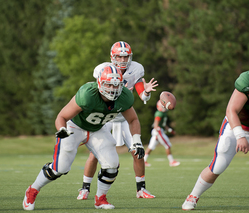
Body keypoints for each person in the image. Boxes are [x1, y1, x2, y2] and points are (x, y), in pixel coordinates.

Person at [23, 65, 145, 210]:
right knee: (60, 168)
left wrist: (136, 141)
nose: (112, 88)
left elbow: (133, 120)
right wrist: (62, 129)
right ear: (100, 83)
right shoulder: (87, 94)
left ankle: (100, 199)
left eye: (116, 84)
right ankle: (32, 190)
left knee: (112, 164)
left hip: (98, 129)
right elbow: (61, 116)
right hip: (75, 128)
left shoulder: (124, 97)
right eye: (109, 84)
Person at [77, 41, 158, 201]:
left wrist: (146, 93)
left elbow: (143, 96)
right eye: (119, 56)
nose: (122, 60)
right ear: (112, 57)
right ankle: (85, 188)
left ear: (130, 57)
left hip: (125, 117)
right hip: (106, 116)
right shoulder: (103, 69)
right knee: (94, 155)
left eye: (125, 56)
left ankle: (141, 189)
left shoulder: (136, 69)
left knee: (138, 152)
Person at [182, 71, 249, 210]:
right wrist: (240, 136)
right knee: (218, 165)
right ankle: (193, 196)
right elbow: (231, 110)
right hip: (237, 126)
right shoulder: (246, 80)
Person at [144, 100, 180, 167]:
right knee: (168, 145)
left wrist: (170, 130)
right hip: (158, 131)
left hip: (158, 131)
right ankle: (171, 161)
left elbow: (164, 125)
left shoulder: (163, 113)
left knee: (150, 147)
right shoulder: (159, 113)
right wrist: (158, 132)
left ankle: (144, 161)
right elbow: (156, 125)